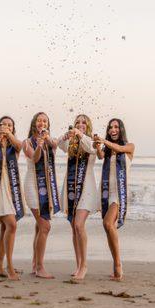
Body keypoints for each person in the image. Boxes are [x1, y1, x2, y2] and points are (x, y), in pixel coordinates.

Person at [58, 114, 99, 280]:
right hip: (71, 189)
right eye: (77, 122)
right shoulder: (72, 143)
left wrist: (80, 134)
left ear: (88, 126)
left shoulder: (92, 141)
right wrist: (66, 135)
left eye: (83, 122)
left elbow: (91, 149)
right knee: (73, 227)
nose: (80, 124)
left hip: (87, 189)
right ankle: (78, 264)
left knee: (79, 224)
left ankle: (84, 266)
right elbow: (59, 144)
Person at [0, 116, 25, 281]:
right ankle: (9, 266)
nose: (6, 127)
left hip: (11, 188)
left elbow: (19, 146)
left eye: (10, 125)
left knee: (5, 230)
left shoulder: (14, 146)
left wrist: (9, 136)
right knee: (11, 225)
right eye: (3, 124)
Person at [94, 118, 135, 281]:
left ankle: (118, 264)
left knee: (107, 223)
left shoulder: (129, 147)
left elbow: (118, 148)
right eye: (110, 127)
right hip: (107, 191)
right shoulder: (108, 150)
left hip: (119, 193)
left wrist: (104, 141)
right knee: (109, 228)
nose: (113, 129)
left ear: (121, 129)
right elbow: (100, 155)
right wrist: (98, 145)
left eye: (116, 127)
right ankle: (116, 265)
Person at [23, 112, 60, 279]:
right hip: (32, 185)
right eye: (39, 120)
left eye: (45, 120)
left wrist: (47, 140)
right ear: (34, 123)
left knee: (39, 227)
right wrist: (38, 145)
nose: (42, 122)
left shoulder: (50, 143)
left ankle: (34, 264)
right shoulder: (26, 142)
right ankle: (40, 267)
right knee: (45, 226)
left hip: (46, 187)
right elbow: (35, 158)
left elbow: (58, 143)